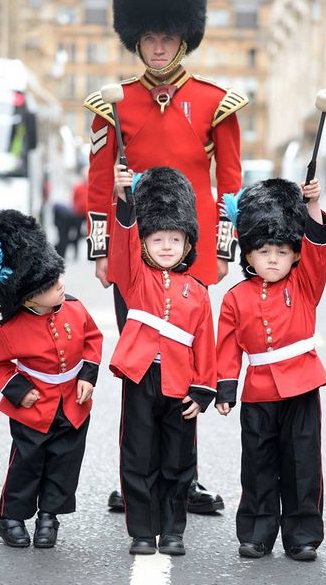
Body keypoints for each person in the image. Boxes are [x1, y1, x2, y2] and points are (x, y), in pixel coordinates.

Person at [84, 0, 248, 514]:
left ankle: (183, 479)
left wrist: (224, 249)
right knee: (137, 367)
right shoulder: (113, 103)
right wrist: (103, 250)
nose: (157, 48)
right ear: (136, 39)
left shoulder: (214, 101)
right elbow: (99, 184)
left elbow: (230, 183)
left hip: (191, 254)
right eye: (148, 38)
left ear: (185, 37)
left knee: (188, 366)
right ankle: (136, 479)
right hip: (133, 256)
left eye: (167, 37)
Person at [0, 209, 103, 548]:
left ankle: (48, 517)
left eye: (56, 277)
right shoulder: (8, 330)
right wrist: (19, 390)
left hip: (73, 404)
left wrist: (88, 375)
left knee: (63, 465)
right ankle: (10, 516)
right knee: (26, 466)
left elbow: (92, 339)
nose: (59, 284)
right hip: (34, 408)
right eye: (47, 285)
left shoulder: (75, 307)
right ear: (25, 295)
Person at [216, 177, 326, 562]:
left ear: (295, 255)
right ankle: (257, 533)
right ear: (248, 255)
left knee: (302, 463)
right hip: (259, 391)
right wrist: (226, 389)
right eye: (263, 251)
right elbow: (228, 346)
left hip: (302, 385)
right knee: (258, 465)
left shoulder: (305, 284)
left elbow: (317, 246)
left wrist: (312, 206)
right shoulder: (235, 298)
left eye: (282, 251)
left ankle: (302, 536)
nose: (273, 259)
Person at [110, 164, 217, 555]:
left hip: (181, 384)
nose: (167, 246)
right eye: (157, 238)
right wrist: (124, 199)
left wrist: (203, 391)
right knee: (137, 457)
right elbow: (121, 242)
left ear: (189, 244)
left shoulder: (199, 291)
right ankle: (141, 531)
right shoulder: (134, 276)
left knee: (177, 463)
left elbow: (205, 342)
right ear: (144, 243)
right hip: (141, 379)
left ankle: (173, 530)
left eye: (175, 238)